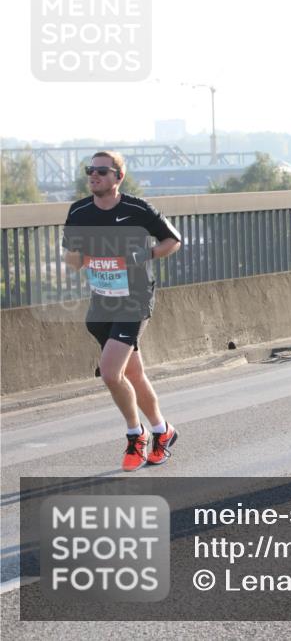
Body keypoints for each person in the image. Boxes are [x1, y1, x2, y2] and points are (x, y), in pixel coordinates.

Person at [63, 151, 183, 470]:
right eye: (90, 169)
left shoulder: (137, 209)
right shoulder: (79, 211)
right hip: (103, 300)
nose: (94, 175)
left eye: (102, 171)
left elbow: (173, 240)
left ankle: (136, 435)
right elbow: (71, 260)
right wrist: (83, 256)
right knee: (134, 374)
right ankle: (163, 430)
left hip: (135, 299)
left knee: (111, 372)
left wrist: (140, 256)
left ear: (118, 177)